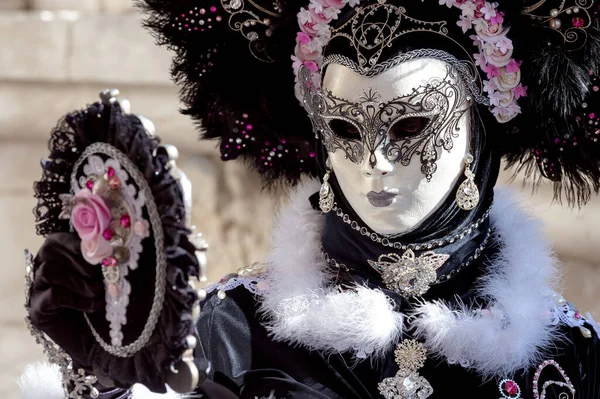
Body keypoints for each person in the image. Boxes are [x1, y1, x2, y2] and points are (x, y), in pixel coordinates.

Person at [21, 0, 600, 397]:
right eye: (346, 130)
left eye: (409, 125)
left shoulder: (571, 355)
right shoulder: (229, 327)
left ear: (479, 133)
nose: (375, 160)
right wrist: (105, 377)